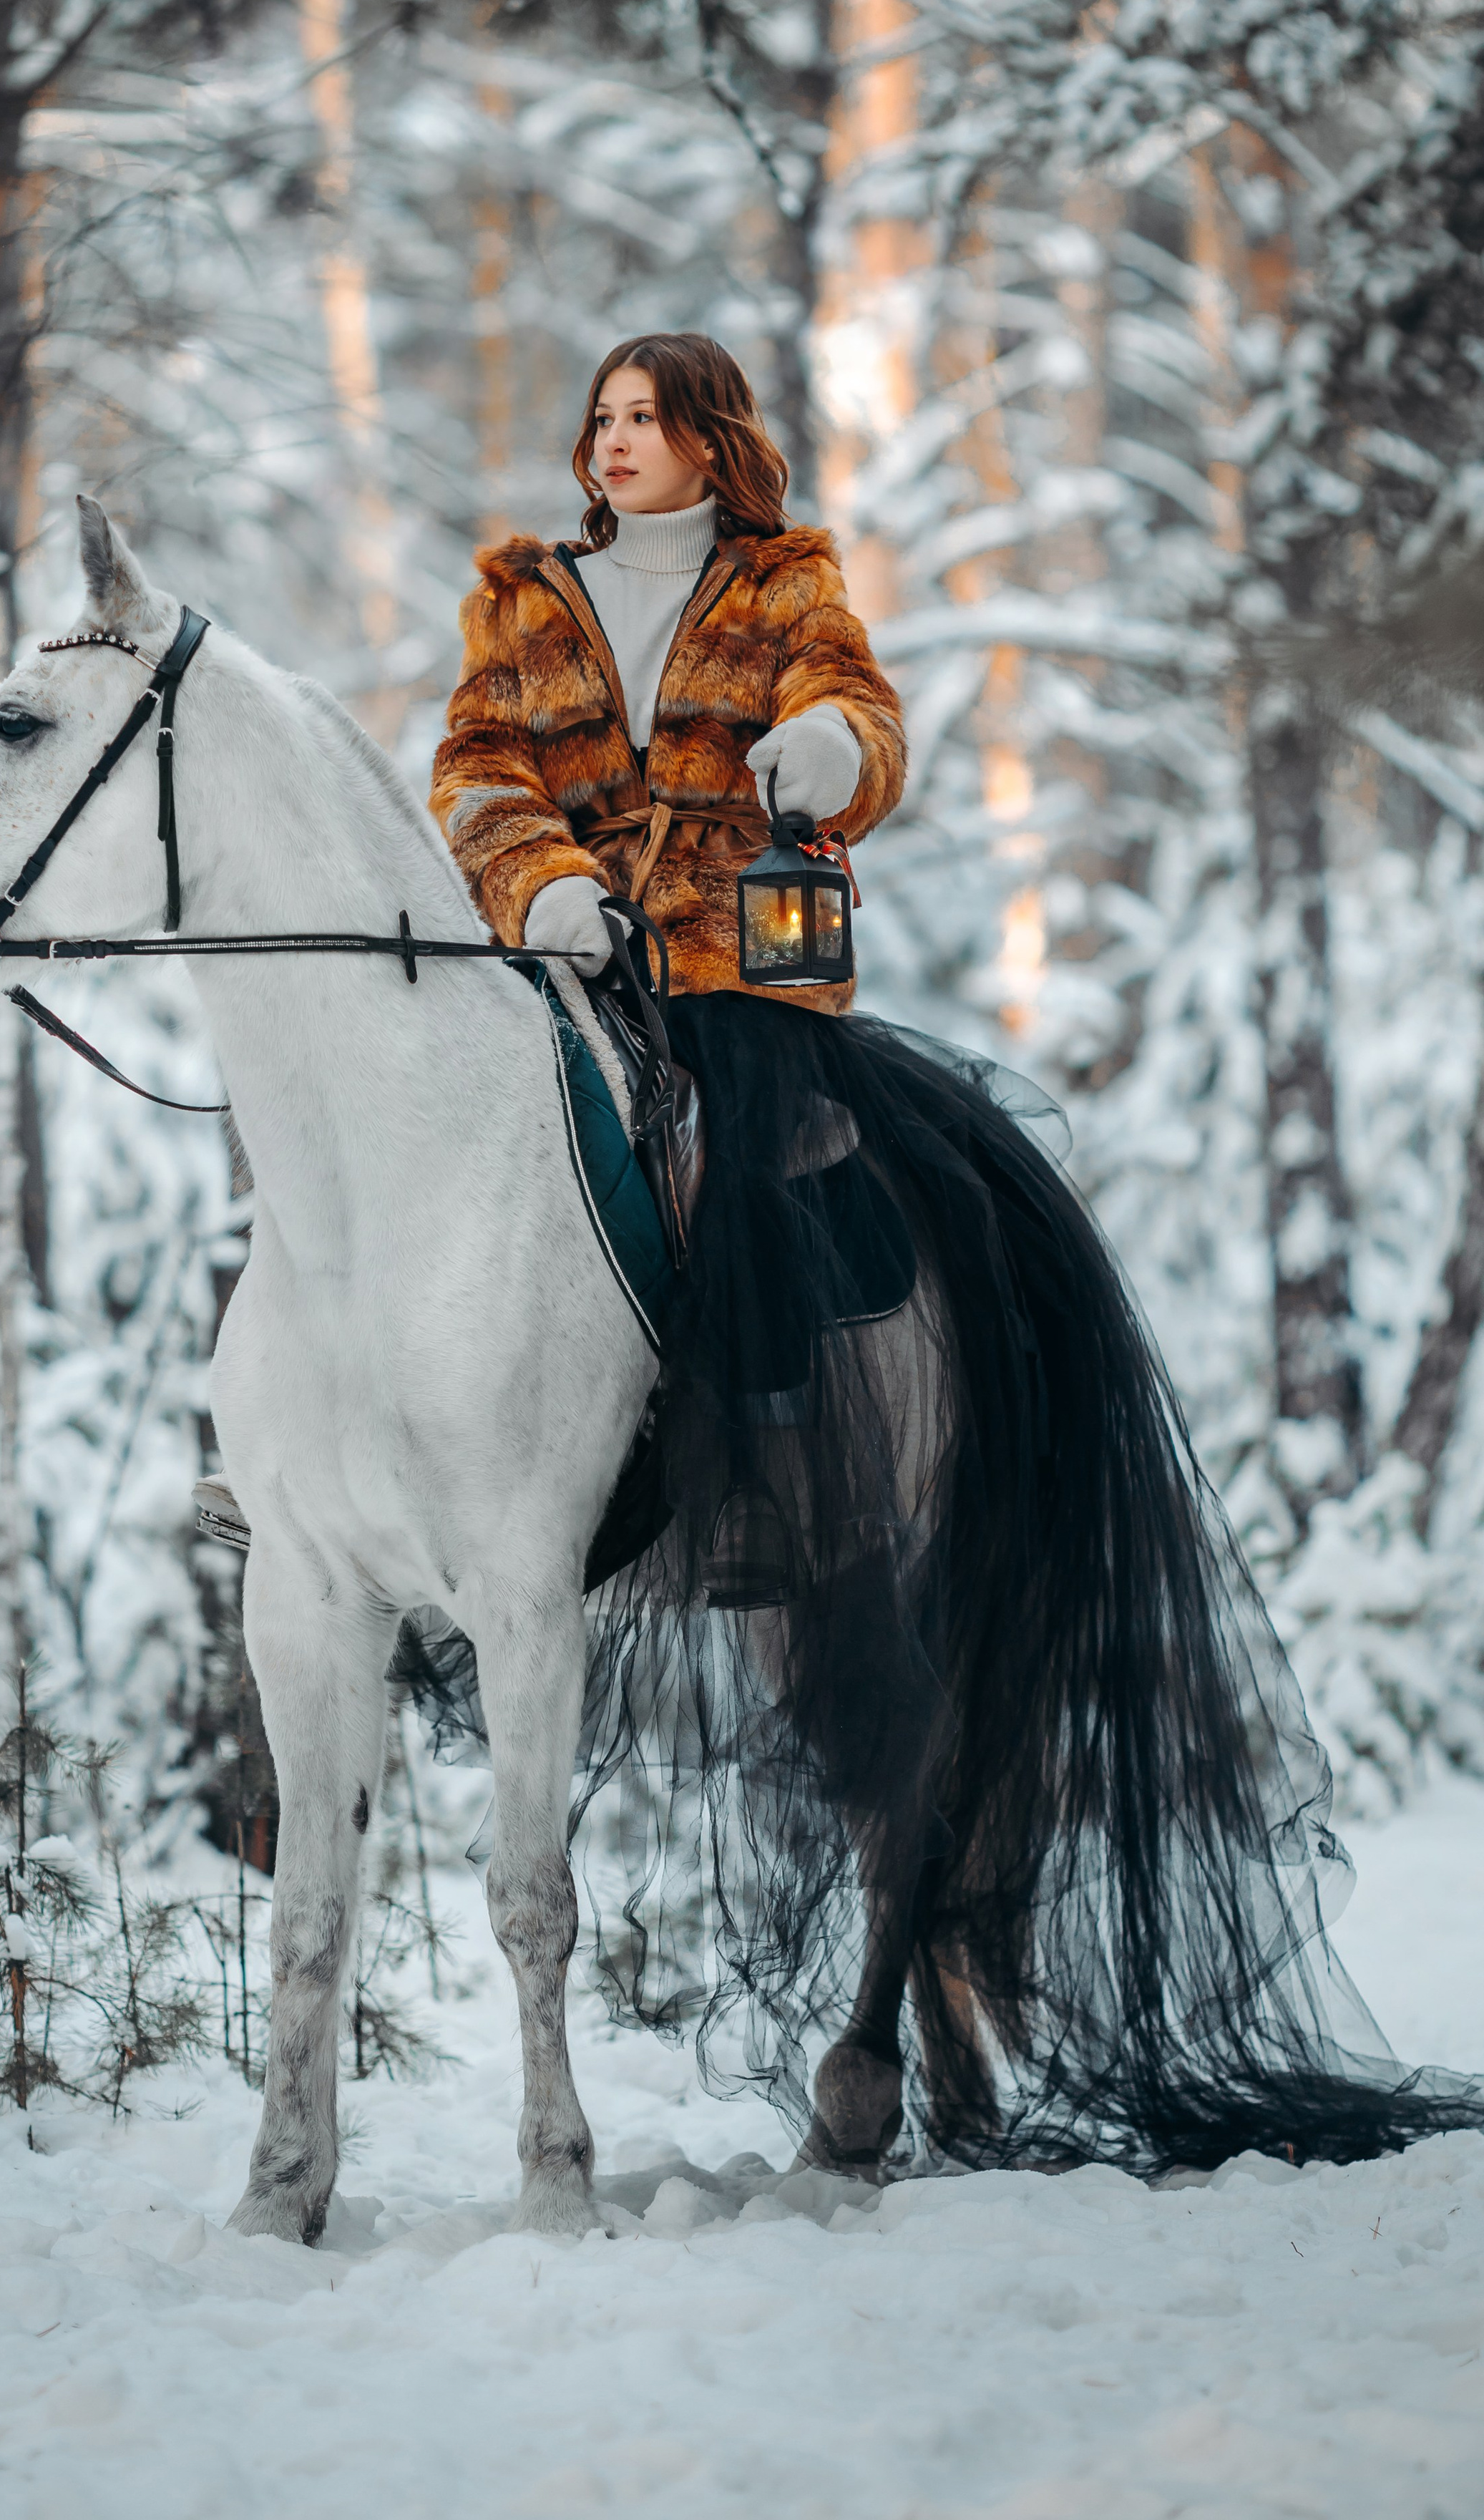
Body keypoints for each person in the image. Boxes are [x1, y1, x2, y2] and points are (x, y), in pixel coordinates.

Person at [424, 329, 1484, 2177]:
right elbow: (474, 768)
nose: (612, 448)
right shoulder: (523, 591)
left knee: (752, 1163)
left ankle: (754, 1464)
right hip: (570, 961)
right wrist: (543, 878)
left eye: (645, 423)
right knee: (422, 1154)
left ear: (709, 445)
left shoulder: (789, 579)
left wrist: (825, 750)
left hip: (741, 973)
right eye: (596, 423)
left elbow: (867, 721)